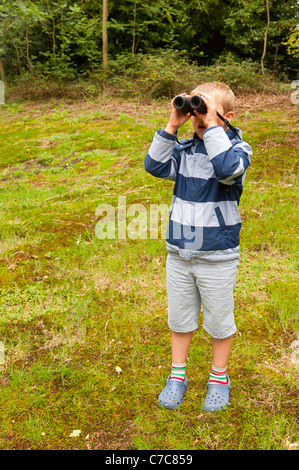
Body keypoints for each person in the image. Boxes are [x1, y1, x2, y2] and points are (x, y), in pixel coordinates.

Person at [144, 81, 252, 412]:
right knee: (180, 320)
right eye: (196, 112)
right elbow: (154, 165)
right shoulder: (185, 151)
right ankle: (178, 375)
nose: (198, 118)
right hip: (179, 255)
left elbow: (225, 169)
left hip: (217, 258)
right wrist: (173, 124)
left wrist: (214, 126)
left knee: (219, 322)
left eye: (204, 111)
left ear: (227, 117)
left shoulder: (239, 152)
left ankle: (219, 377)